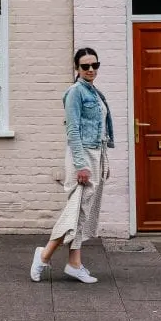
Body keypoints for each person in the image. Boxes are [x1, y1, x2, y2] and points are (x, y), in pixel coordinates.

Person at [30, 47, 115, 284]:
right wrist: (81, 165)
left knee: (83, 212)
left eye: (94, 65)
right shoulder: (75, 92)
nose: (90, 70)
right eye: (85, 66)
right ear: (77, 68)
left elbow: (100, 130)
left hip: (95, 154)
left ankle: (74, 264)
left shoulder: (95, 92)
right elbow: (73, 131)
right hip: (82, 156)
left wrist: (103, 161)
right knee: (74, 212)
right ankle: (44, 255)